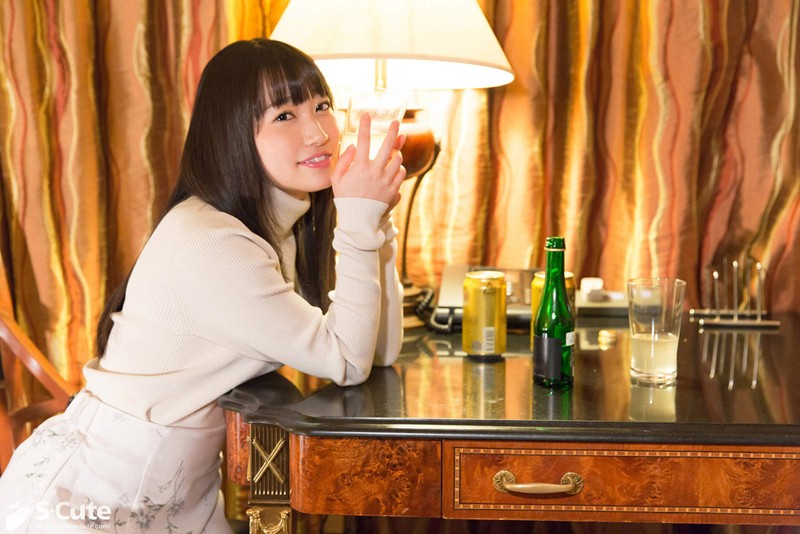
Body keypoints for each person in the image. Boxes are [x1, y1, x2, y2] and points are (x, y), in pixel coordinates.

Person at [0, 38, 405, 533]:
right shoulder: (214, 241)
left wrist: (375, 221)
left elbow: (377, 352)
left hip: (177, 493)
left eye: (322, 106)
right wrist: (359, 222)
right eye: (284, 115)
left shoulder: (279, 225)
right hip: (96, 497)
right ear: (232, 133)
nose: (318, 132)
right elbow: (346, 360)